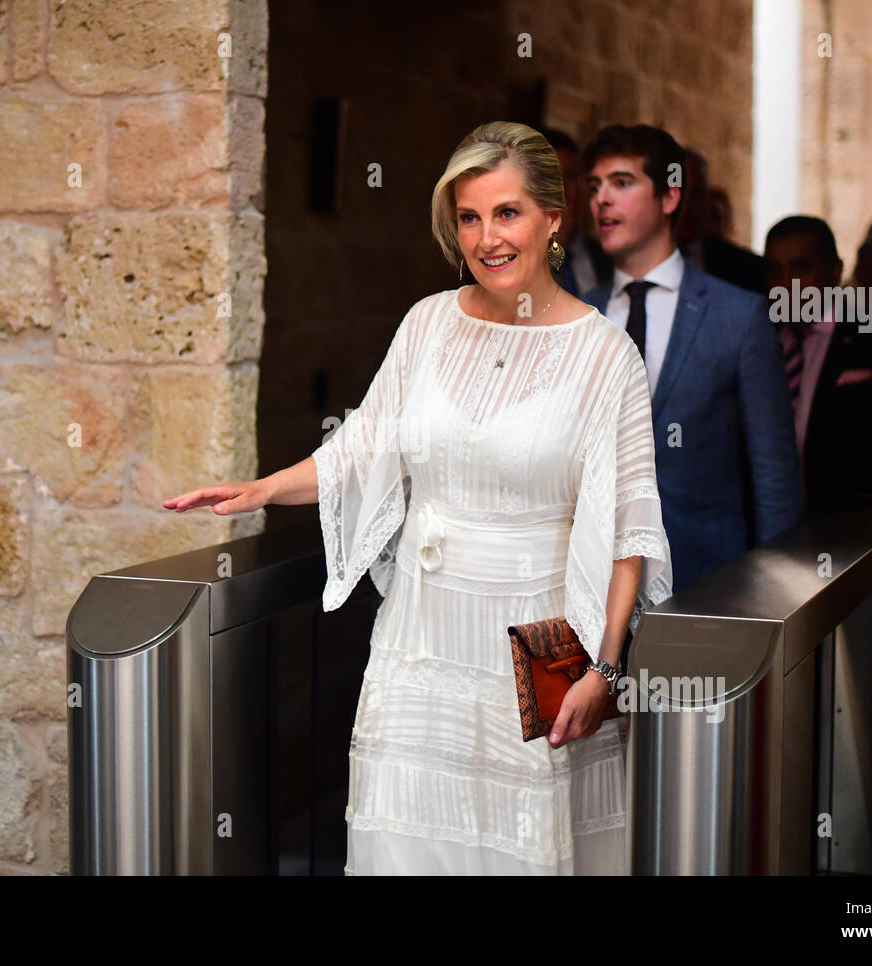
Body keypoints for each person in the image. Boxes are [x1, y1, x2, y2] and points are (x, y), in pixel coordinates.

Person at [165, 121, 672, 875]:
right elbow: (363, 448)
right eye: (469, 217)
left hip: (539, 644)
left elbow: (629, 529)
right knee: (405, 846)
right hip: (419, 639)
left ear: (553, 219)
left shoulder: (605, 354)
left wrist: (604, 670)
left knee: (523, 851)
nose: (487, 238)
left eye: (507, 213)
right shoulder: (428, 323)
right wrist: (265, 487)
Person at [581, 125, 802, 593]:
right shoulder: (579, 316)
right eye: (595, 185)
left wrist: (774, 601)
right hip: (589, 585)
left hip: (707, 580)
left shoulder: (738, 315)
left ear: (669, 198)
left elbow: (774, 473)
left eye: (622, 182)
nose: (602, 198)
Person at [763, 215, 872, 511]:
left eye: (800, 270)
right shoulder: (760, 340)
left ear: (834, 272)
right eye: (774, 271)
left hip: (853, 532)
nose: (785, 285)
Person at [674, 147, 767, 295]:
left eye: (695, 195)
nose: (686, 207)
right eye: (678, 194)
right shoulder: (630, 264)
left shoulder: (748, 269)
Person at [541, 127, 611, 297]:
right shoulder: (509, 258)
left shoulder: (606, 259)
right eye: (551, 177)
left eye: (570, 176)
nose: (561, 189)